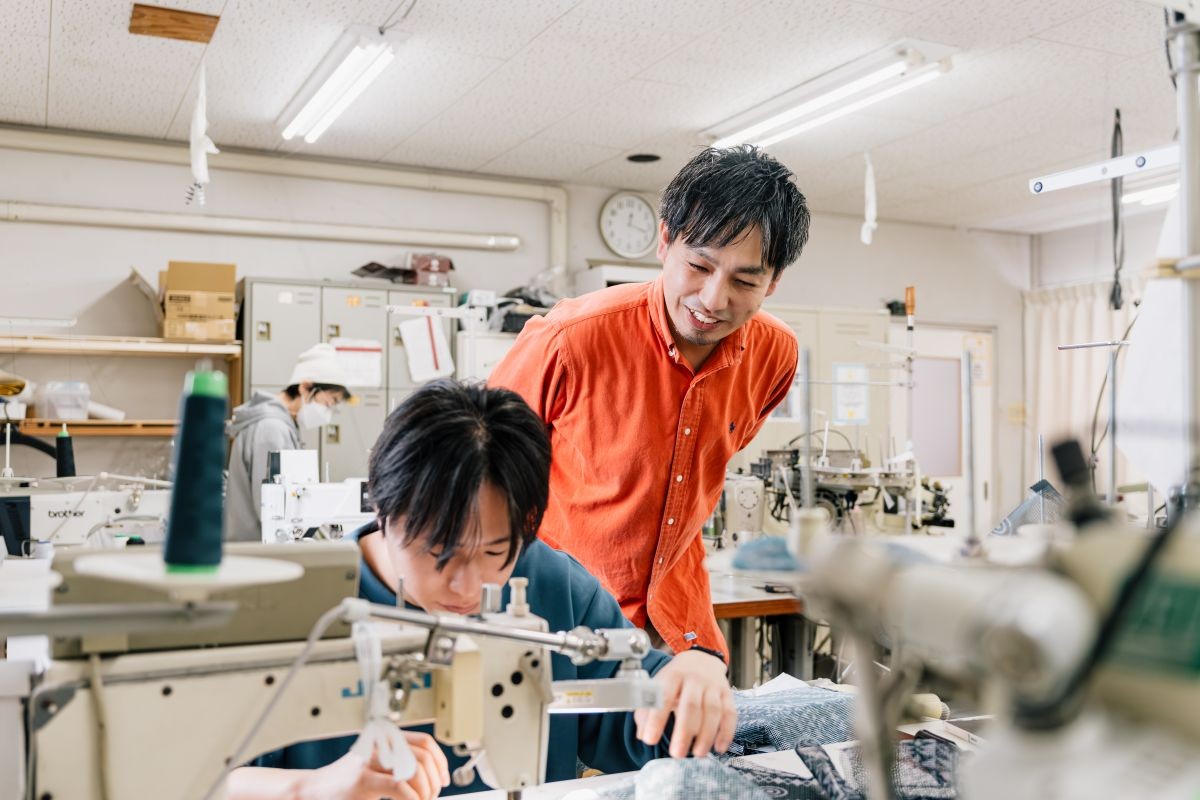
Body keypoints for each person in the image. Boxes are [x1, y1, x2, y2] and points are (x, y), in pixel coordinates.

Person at [229, 380, 737, 800]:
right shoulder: (297, 610)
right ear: (382, 512)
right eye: (440, 552)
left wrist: (694, 676)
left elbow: (646, 729)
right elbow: (193, 776)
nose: (468, 587)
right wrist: (308, 788)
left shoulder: (553, 584)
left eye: (496, 552)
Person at [489, 144, 810, 663]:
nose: (712, 299)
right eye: (699, 266)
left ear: (772, 281)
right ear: (666, 241)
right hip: (560, 621)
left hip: (676, 623)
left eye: (745, 281)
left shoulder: (775, 355)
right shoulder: (570, 339)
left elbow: (702, 472)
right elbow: (480, 470)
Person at [225, 343, 353, 541]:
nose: (330, 410)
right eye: (331, 401)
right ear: (305, 388)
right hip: (257, 548)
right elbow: (271, 508)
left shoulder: (281, 425)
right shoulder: (271, 429)